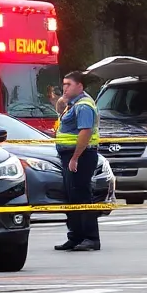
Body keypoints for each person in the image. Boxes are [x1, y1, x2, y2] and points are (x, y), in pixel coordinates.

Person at [54, 70, 102, 252]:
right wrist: (61, 102)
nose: (64, 87)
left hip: (81, 155)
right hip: (70, 155)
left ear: (79, 86)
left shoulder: (83, 106)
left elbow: (85, 132)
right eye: (64, 84)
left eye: (68, 84)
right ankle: (75, 237)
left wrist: (75, 158)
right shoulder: (73, 104)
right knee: (72, 196)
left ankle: (91, 238)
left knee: (82, 195)